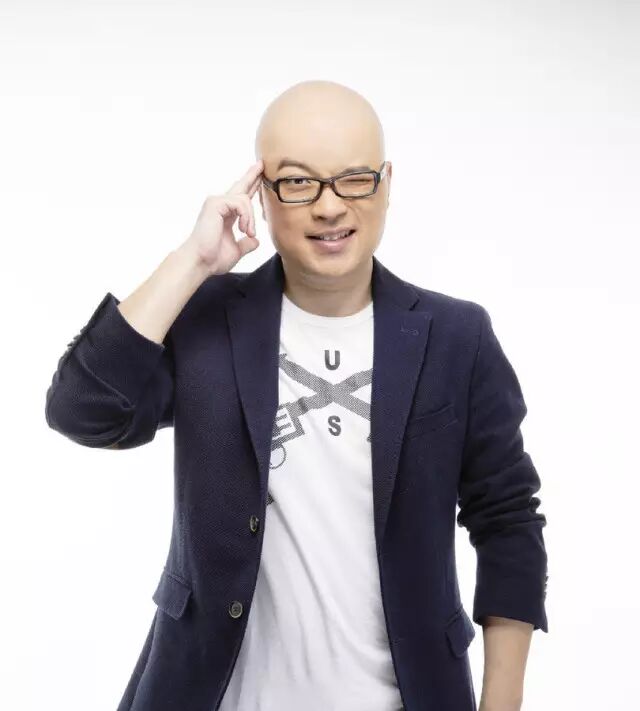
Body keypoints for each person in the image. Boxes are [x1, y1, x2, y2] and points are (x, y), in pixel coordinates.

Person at [45, 80, 548, 711]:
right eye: (298, 182)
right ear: (262, 193)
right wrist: (193, 261)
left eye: (354, 179)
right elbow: (82, 409)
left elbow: (508, 521)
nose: (329, 207)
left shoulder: (456, 337)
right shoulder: (205, 321)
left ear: (386, 184)